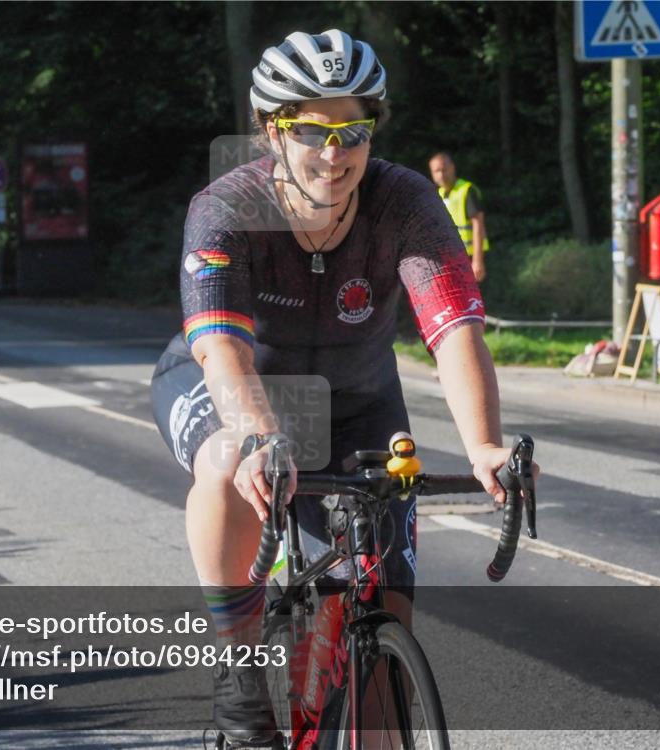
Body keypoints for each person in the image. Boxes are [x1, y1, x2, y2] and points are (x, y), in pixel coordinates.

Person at [151, 29, 529, 747]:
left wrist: (483, 445)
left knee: (377, 663)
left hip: (359, 400)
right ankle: (238, 667)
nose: (334, 152)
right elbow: (223, 348)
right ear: (273, 131)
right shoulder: (226, 207)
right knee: (231, 459)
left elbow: (453, 330)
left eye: (352, 131)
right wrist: (263, 436)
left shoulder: (404, 202)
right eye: (311, 132)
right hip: (238, 387)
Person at [428, 152, 489, 282]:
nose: (441, 174)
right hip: (452, 259)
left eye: (444, 169)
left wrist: (477, 261)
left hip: (472, 258)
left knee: (477, 301)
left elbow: (478, 225)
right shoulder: (439, 194)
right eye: (436, 171)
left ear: (452, 167)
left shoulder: (467, 190)